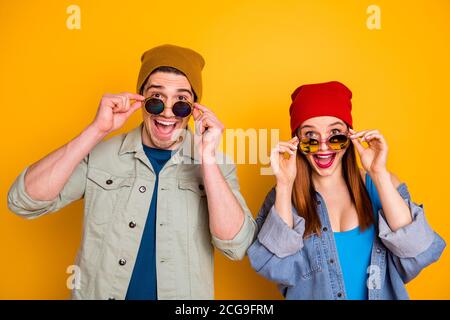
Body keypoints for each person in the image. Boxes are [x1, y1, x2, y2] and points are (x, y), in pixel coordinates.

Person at [7, 44, 257, 300]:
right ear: (141, 100)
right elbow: (24, 201)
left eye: (181, 102)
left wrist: (206, 157)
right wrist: (96, 130)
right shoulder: (102, 156)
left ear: (195, 110)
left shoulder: (216, 166)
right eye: (156, 99)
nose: (168, 112)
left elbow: (236, 246)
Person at [247, 81, 445, 300]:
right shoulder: (283, 197)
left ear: (350, 136)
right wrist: (284, 185)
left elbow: (418, 250)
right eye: (310, 138)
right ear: (297, 142)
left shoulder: (381, 183)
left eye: (335, 135)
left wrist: (378, 173)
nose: (323, 146)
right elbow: (276, 268)